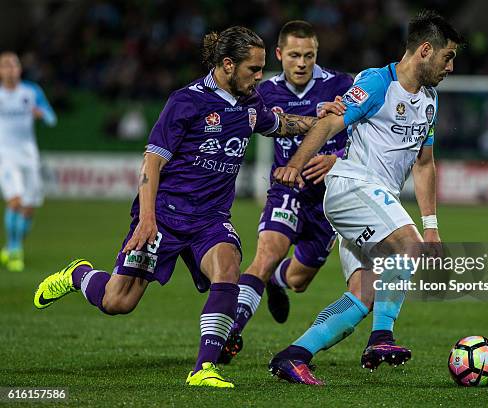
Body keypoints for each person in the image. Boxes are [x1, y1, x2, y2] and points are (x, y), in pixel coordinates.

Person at [33, 26, 343, 389]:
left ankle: (204, 369)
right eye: (253, 69)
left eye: (261, 69)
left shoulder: (250, 103)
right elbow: (151, 163)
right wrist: (146, 221)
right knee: (119, 301)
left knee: (228, 266)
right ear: (228, 65)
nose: (260, 77)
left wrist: (324, 121)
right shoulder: (186, 102)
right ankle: (78, 275)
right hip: (164, 214)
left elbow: (282, 124)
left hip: (210, 218)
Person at [270, 11, 463, 385]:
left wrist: (433, 227)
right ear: (425, 50)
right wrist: (295, 164)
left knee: (363, 296)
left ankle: (293, 356)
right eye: (448, 56)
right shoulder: (377, 82)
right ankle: (382, 338)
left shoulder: (429, 101)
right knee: (410, 247)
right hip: (352, 187)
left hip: (373, 202)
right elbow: (329, 122)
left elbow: (424, 165)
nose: (450, 66)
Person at [219, 20, 353, 364]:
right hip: (287, 190)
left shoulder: (342, 86)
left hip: (329, 200)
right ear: (279, 54)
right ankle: (229, 331)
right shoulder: (262, 91)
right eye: (294, 55)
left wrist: (335, 159)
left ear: (317, 54)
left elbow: (364, 137)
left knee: (298, 280)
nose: (302, 63)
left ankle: (277, 282)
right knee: (265, 256)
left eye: (309, 55)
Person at [0, 52, 56, 272]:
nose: (10, 69)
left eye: (13, 65)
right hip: (5, 156)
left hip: (29, 156)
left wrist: (41, 113)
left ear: (19, 69)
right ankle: (15, 250)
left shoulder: (31, 91)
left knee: (28, 208)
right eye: (5, 66)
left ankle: (11, 246)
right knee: (14, 201)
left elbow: (52, 118)